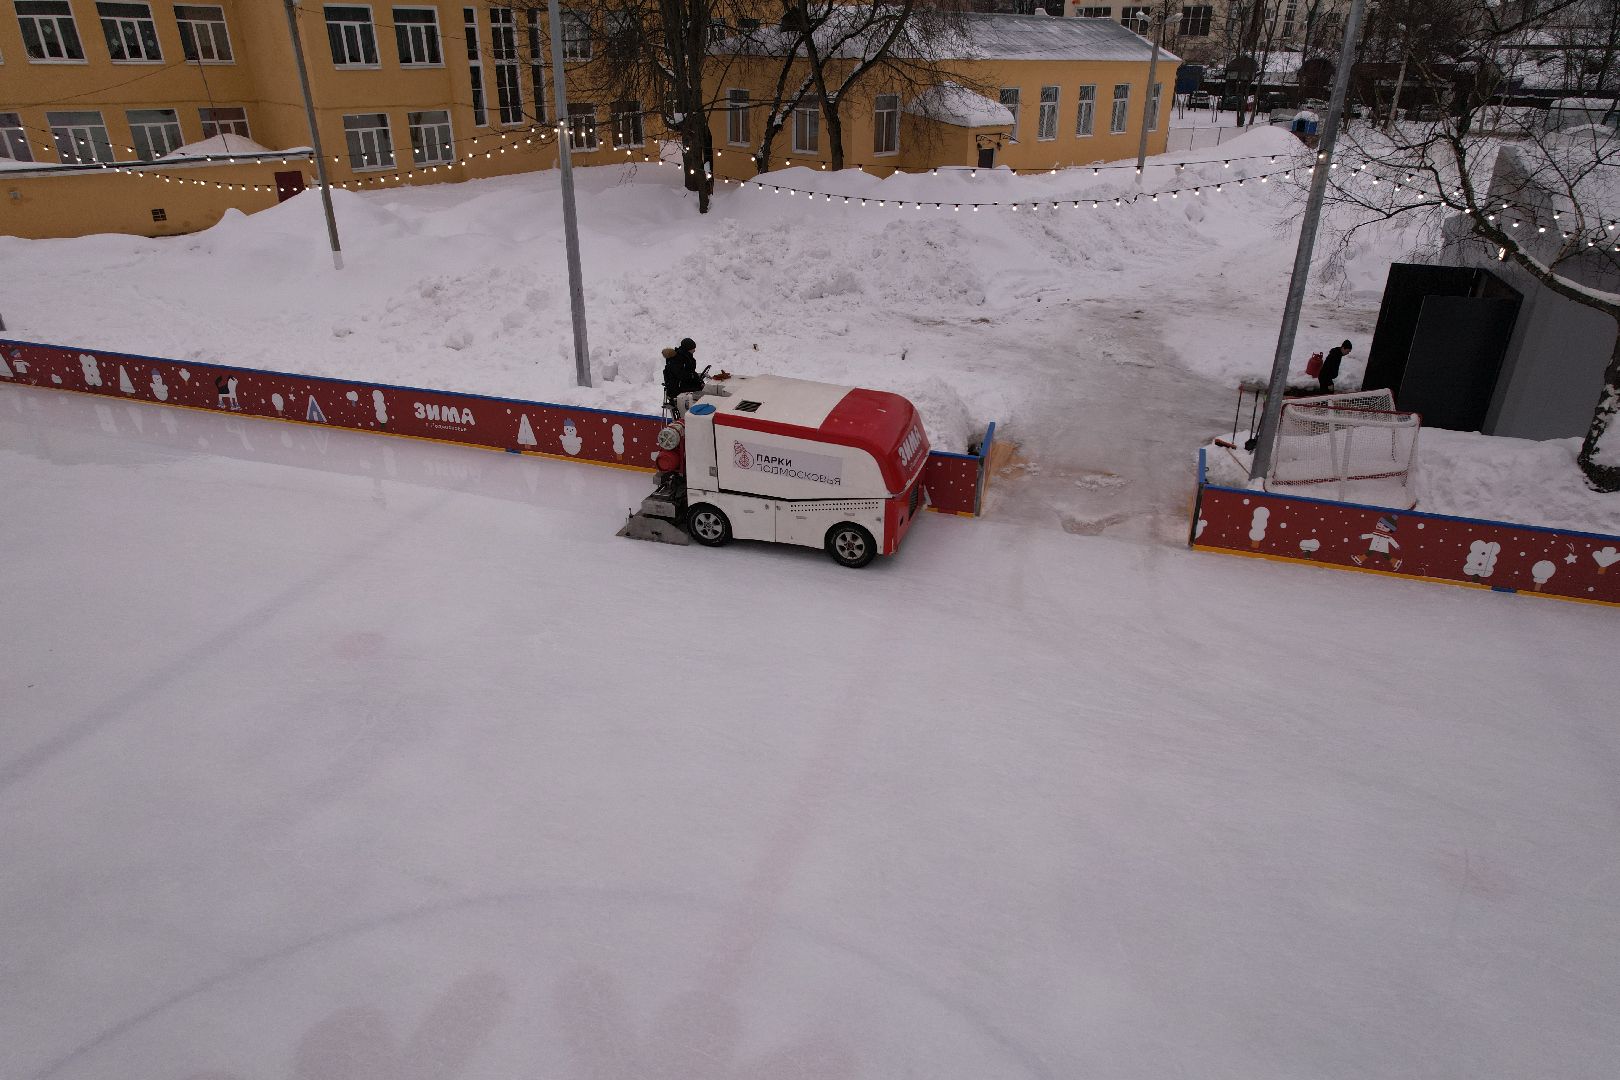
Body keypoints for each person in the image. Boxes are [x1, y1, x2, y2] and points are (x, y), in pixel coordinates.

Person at [661, 337, 705, 412]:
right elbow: (681, 375)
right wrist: (693, 376)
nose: (694, 350)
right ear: (687, 349)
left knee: (701, 387)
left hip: (682, 383)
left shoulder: (687, 357)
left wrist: (699, 381)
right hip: (676, 387)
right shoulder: (677, 359)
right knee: (699, 391)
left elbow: (691, 372)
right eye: (693, 348)